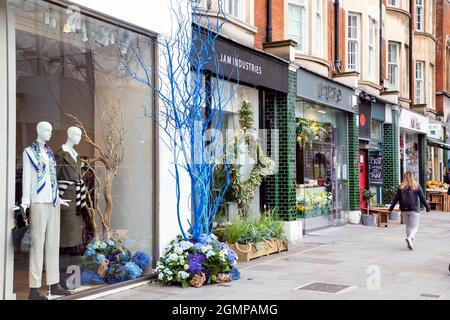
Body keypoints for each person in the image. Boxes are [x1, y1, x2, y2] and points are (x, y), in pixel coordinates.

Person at [389, 171, 430, 251]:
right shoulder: (416, 186)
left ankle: (409, 241)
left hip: (404, 210)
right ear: (413, 177)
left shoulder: (401, 187)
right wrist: (427, 207)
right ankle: (410, 238)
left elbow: (395, 199)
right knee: (415, 227)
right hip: (414, 209)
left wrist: (391, 208)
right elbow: (422, 198)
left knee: (408, 226)